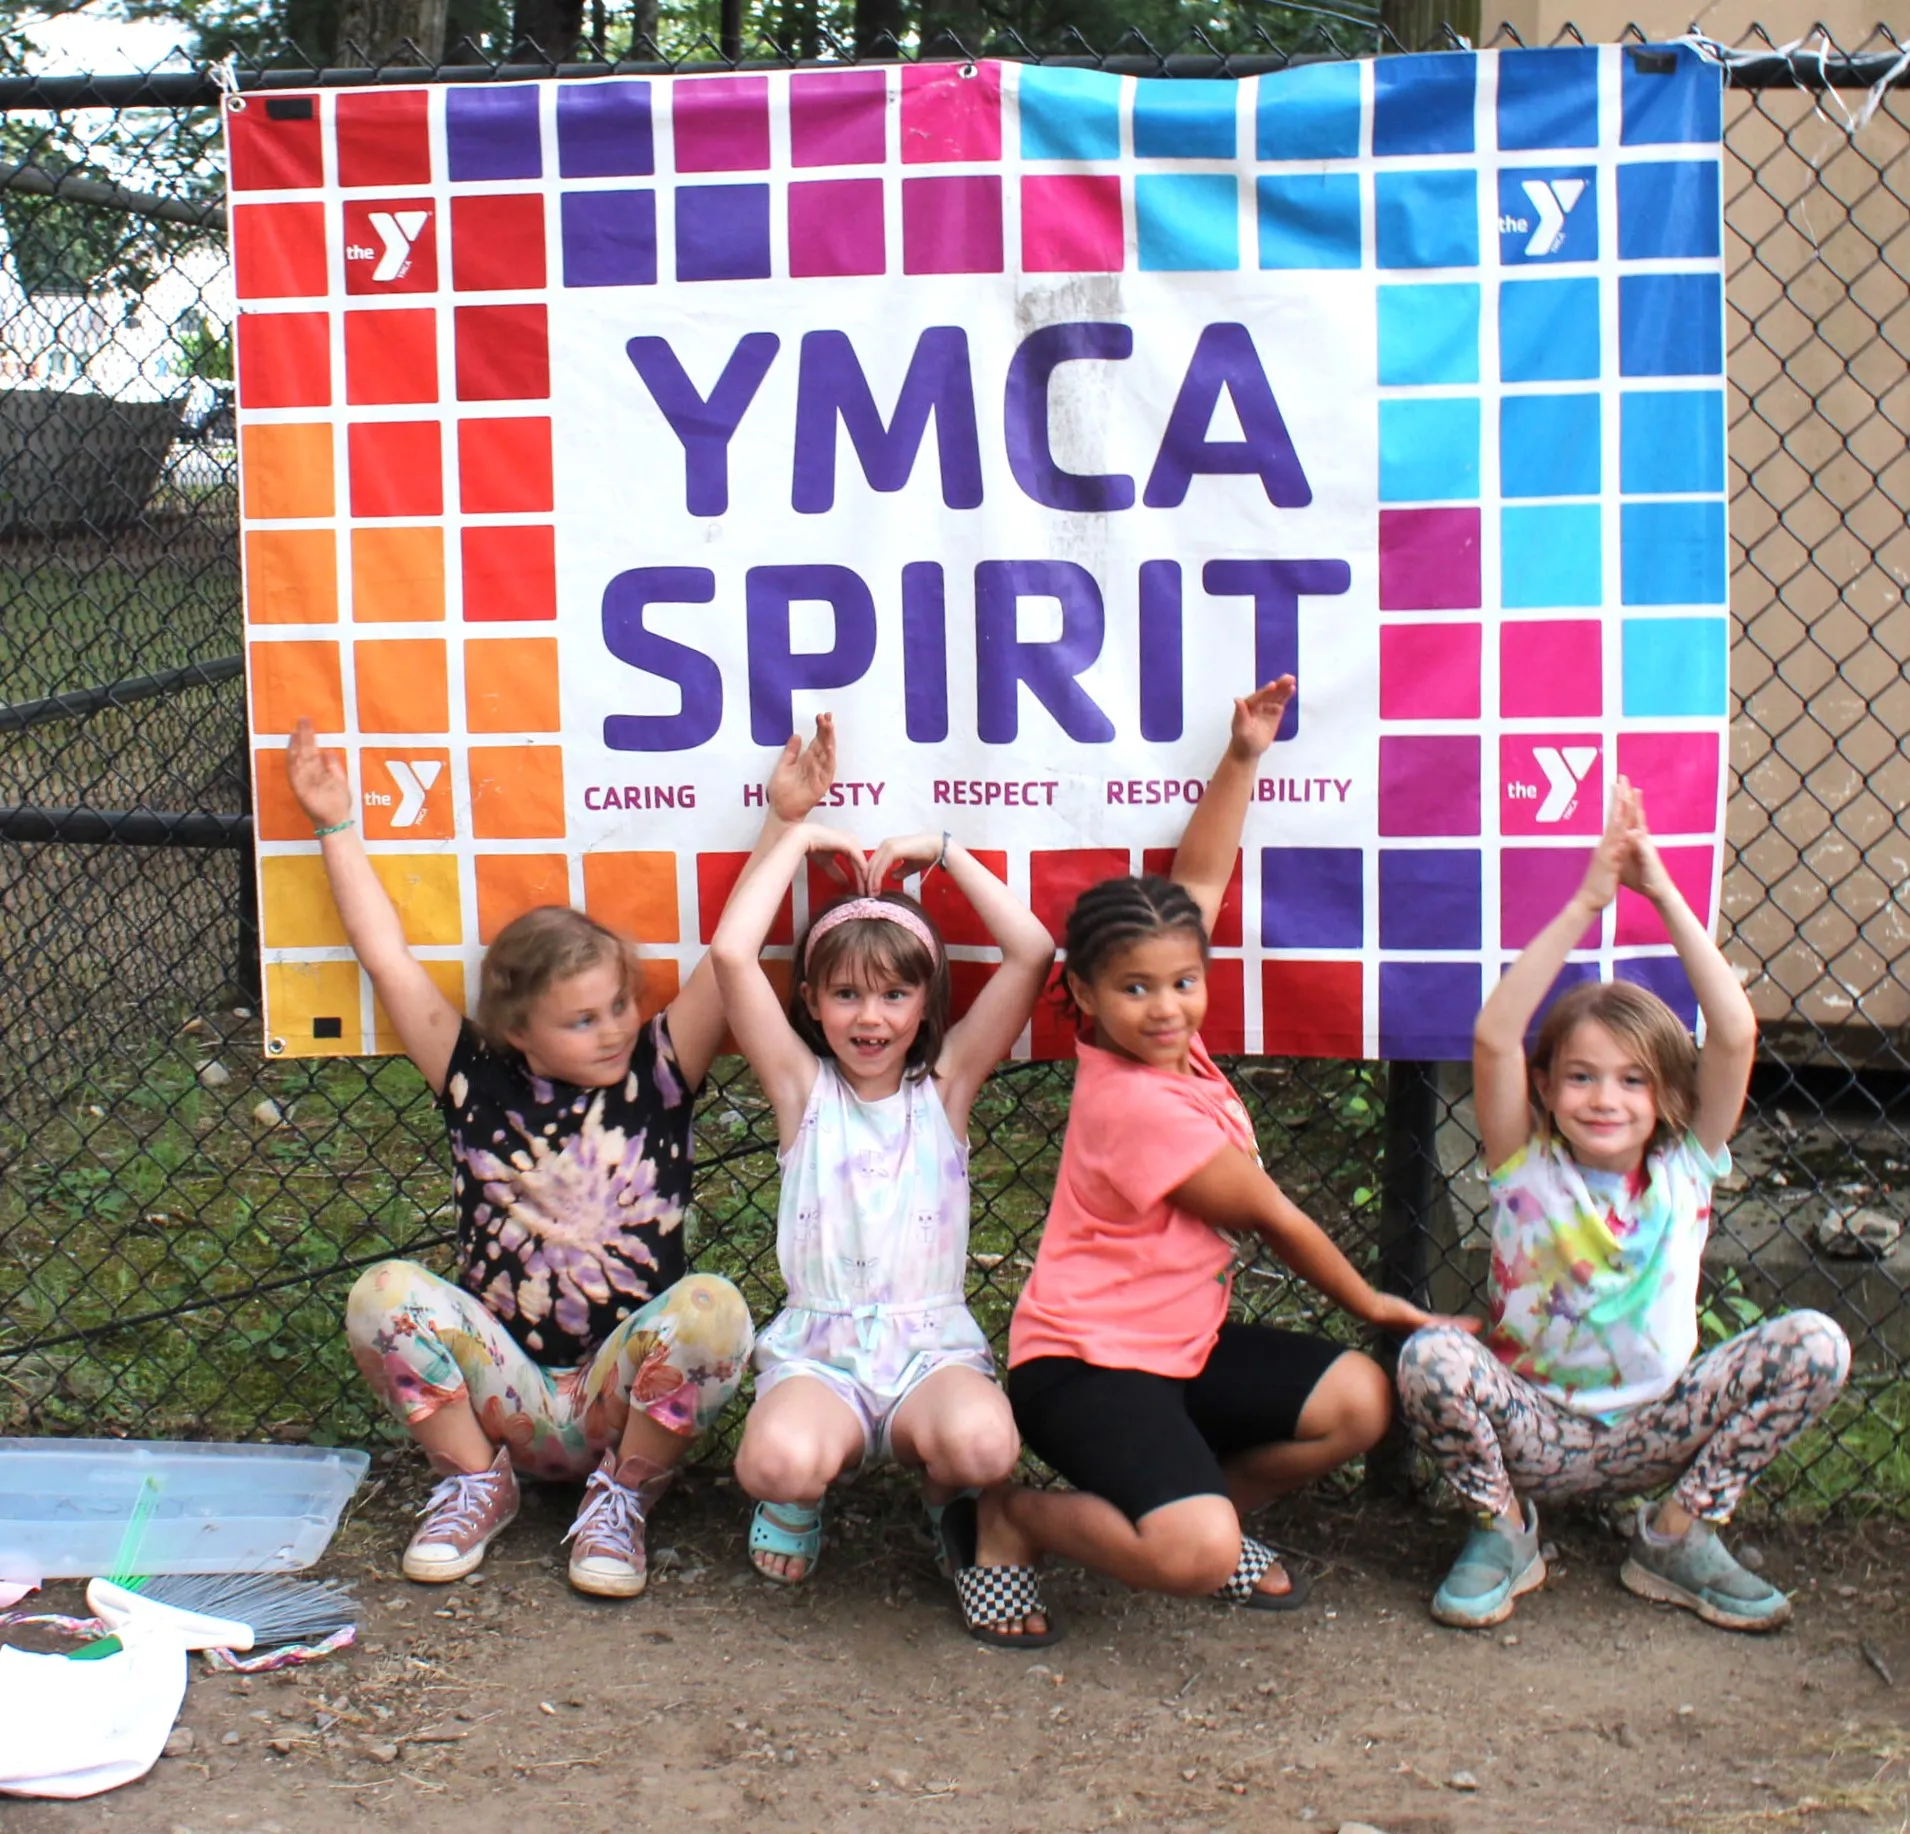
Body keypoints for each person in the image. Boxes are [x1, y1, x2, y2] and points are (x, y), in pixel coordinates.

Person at [942, 681, 1469, 1648]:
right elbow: (1274, 1217)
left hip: (1182, 1348)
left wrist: (1242, 755)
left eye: (1183, 982)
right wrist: (1377, 1304)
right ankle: (1015, 1521)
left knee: (1358, 1400)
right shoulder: (1134, 1102)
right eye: (1135, 989)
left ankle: (1195, 1522)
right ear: (1087, 1002)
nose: (1167, 1005)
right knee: (1194, 1550)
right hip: (1085, 1368)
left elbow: (1199, 881)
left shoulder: (1171, 1045)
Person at [287, 713, 838, 1596]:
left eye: (619, 1004)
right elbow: (386, 959)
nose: (615, 1027)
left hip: (622, 1391)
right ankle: (474, 1481)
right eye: (583, 1020)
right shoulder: (475, 1074)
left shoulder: (657, 1071)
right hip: (501, 1385)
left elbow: (733, 956)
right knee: (379, 1295)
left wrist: (783, 820)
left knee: (715, 1310)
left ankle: (624, 1499)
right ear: (518, 1029)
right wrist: (334, 824)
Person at [1396, 778, 1850, 1632]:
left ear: (1668, 1094)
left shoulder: (1687, 1165)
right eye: (1581, 1076)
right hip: (1539, 1431)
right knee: (1430, 1360)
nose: (1606, 1099)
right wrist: (1586, 902)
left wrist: (1659, 890)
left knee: (1816, 1345)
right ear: (1547, 1087)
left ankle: (1675, 1538)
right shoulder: (1525, 1166)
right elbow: (1496, 1035)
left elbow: (1737, 1032)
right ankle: (1504, 1531)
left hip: (1659, 1425)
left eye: (1633, 1079)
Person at [710, 819, 1054, 1584]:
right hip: (822, 1357)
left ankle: (949, 1497)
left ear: (926, 1000)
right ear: (811, 1000)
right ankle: (799, 1501)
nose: (871, 1018)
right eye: (845, 995)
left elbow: (1031, 952)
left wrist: (948, 852)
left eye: (896, 995)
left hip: (928, 1349)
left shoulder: (946, 1088)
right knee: (777, 1462)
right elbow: (732, 956)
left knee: (985, 1448)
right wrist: (794, 842)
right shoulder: (803, 1092)